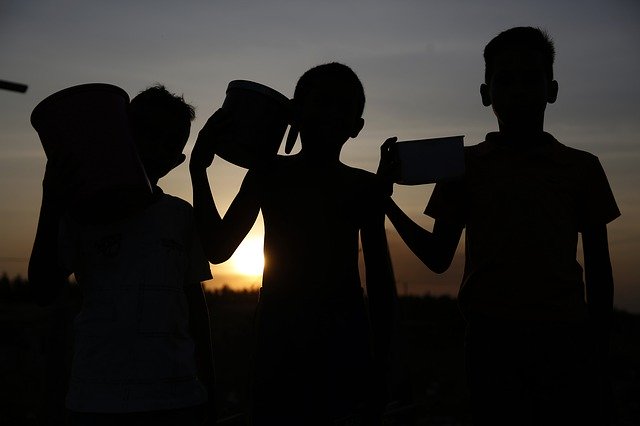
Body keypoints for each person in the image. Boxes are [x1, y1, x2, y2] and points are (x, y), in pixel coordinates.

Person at [378, 27, 620, 425]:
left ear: (551, 89)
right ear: (486, 93)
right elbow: (439, 257)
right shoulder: (462, 167)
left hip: (564, 339)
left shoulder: (583, 168)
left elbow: (599, 267)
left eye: (530, 78)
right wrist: (385, 201)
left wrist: (598, 350)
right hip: (491, 340)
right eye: (505, 80)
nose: (518, 91)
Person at [190, 62, 396, 424]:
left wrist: (387, 366)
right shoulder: (269, 174)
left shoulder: (363, 187)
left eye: (340, 107)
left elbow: (381, 283)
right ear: (293, 115)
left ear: (355, 127)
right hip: (284, 342)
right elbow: (218, 249)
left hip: (338, 344)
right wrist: (198, 171)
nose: (329, 115)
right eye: (320, 104)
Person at [29, 85, 215, 425]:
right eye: (147, 133)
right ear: (119, 135)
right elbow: (43, 290)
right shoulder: (80, 213)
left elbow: (195, 309)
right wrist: (51, 199)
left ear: (178, 160)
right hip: (97, 399)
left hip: (176, 397)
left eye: (170, 141)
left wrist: (210, 390)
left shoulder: (181, 216)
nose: (156, 147)